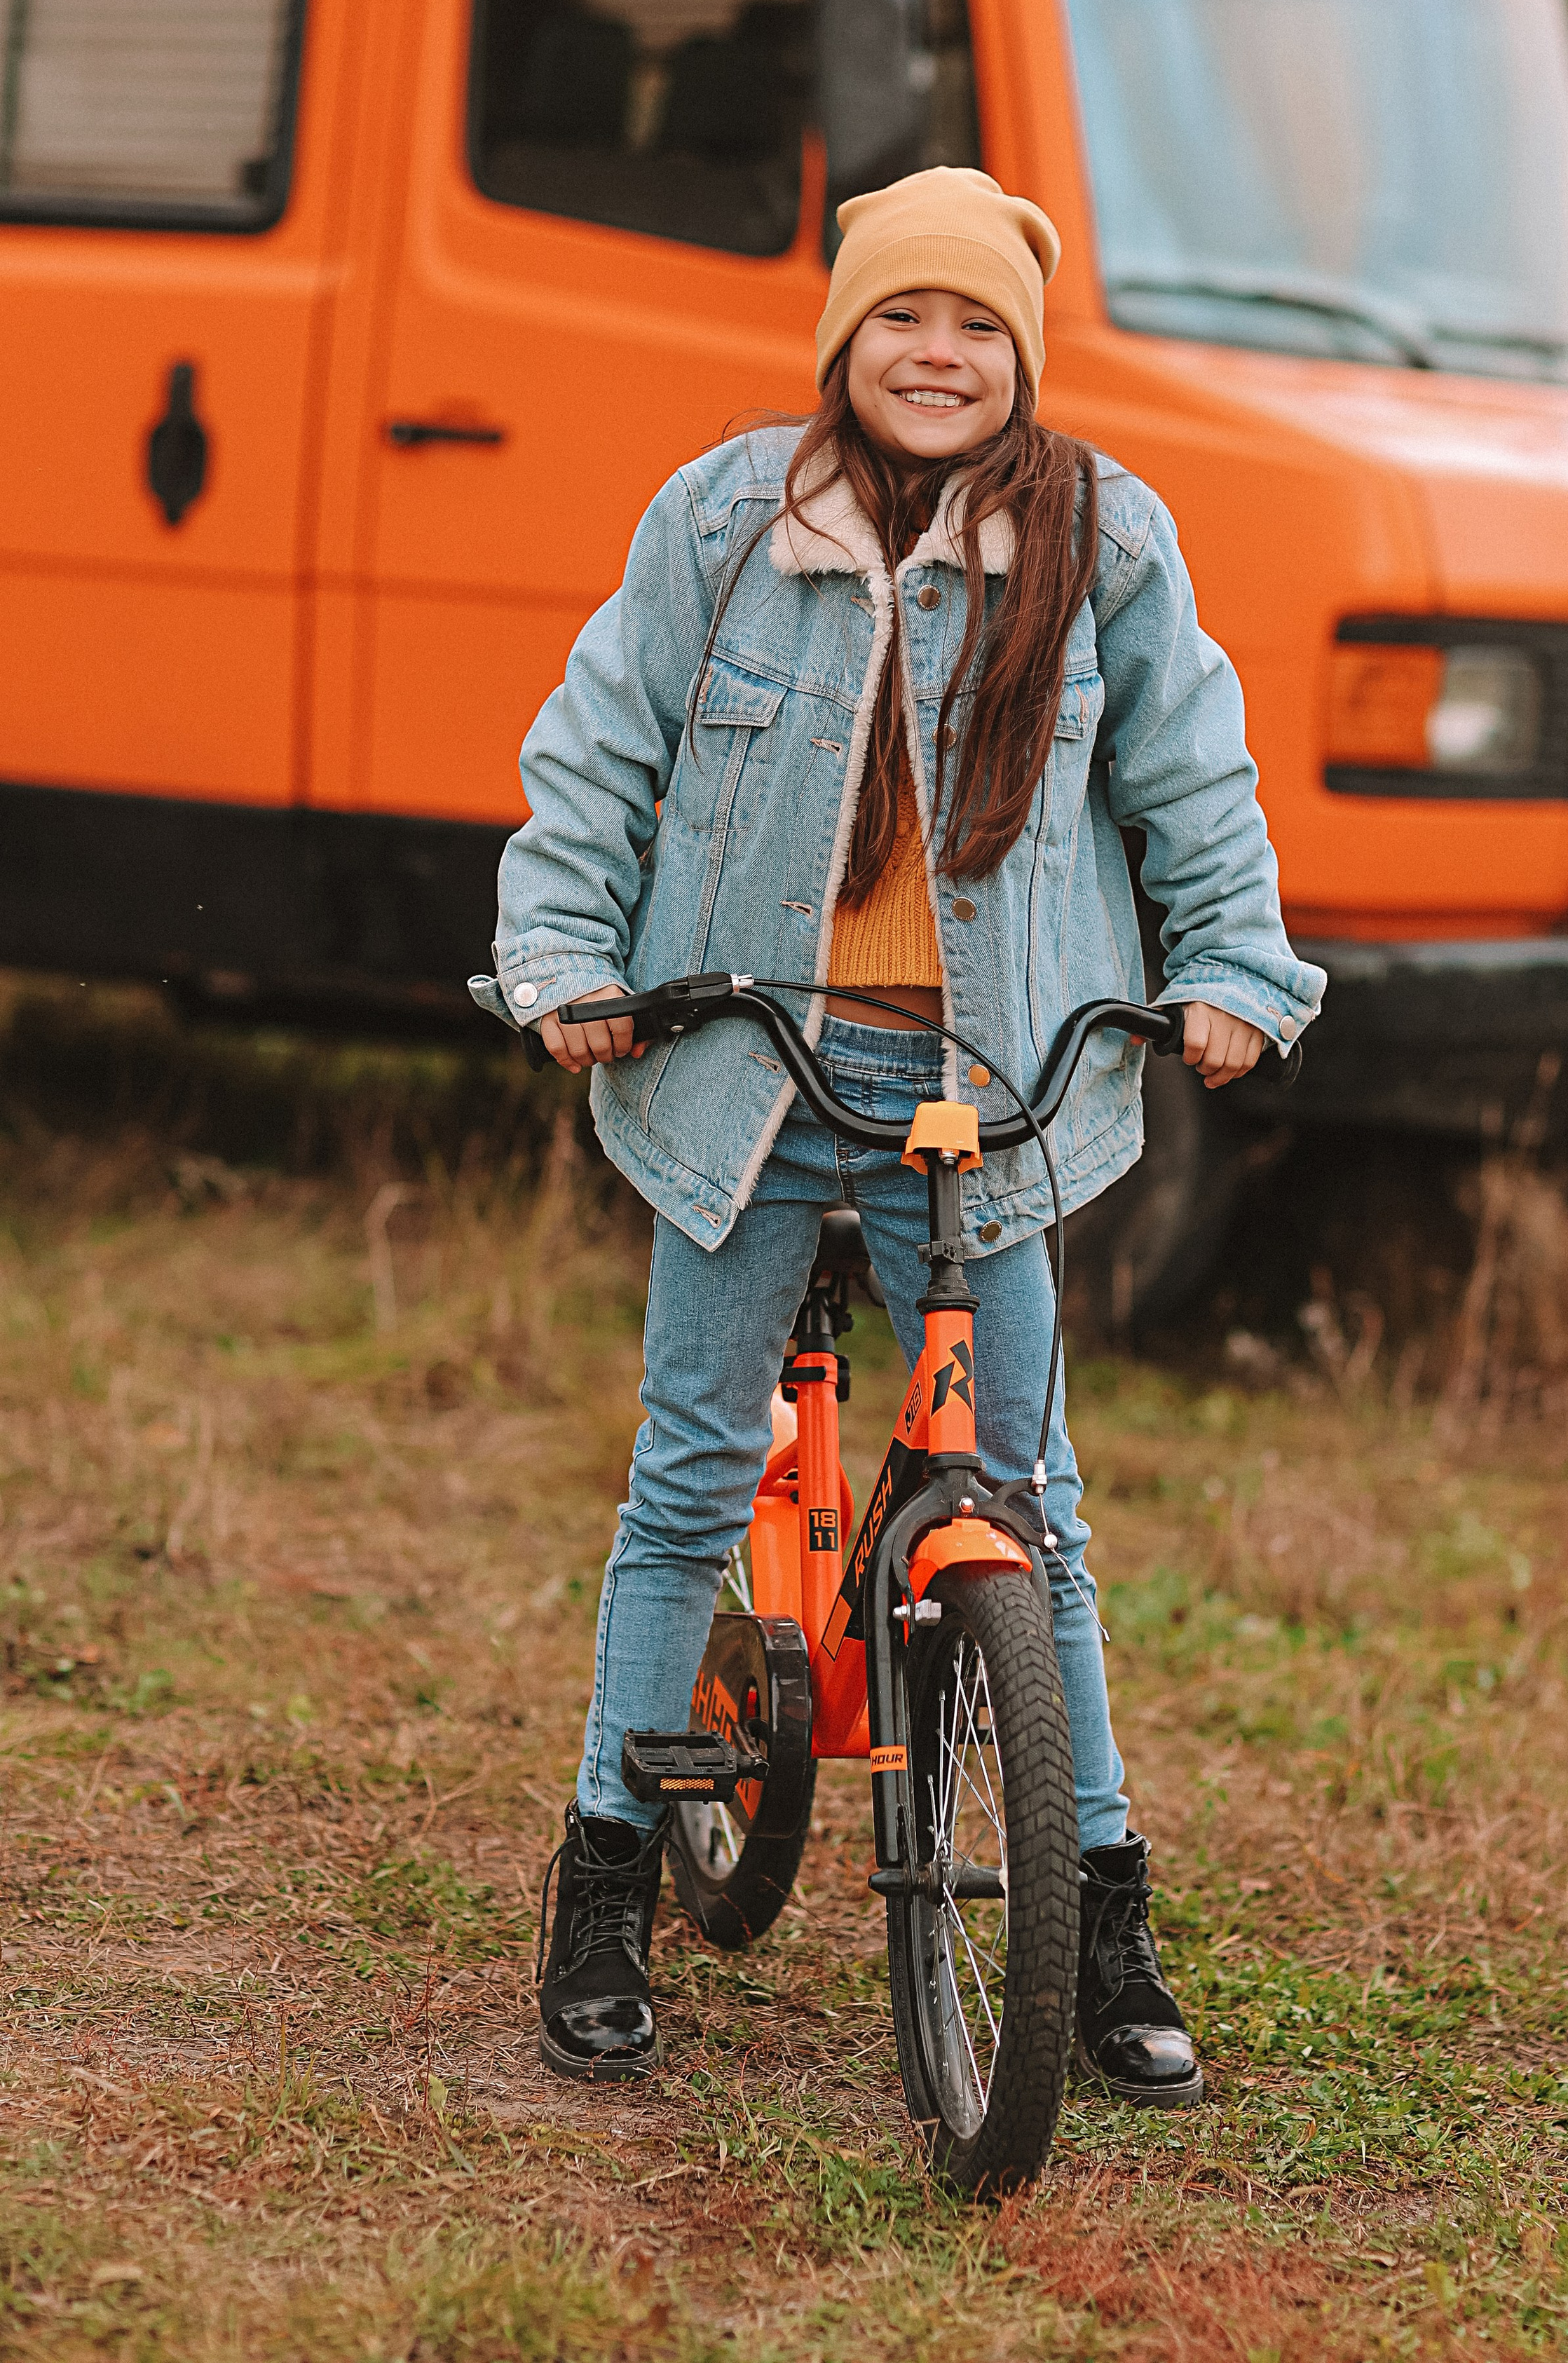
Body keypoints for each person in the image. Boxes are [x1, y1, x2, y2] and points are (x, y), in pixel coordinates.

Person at [472, 168, 1324, 2101]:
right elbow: (599, 751)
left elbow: (1195, 771)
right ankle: (609, 1871)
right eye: (900, 322)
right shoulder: (722, 520)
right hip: (750, 1072)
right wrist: (560, 958)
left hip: (985, 1092)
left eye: (977, 329)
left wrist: (1234, 974)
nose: (937, 355)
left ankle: (1098, 1909)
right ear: (846, 343)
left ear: (1021, 358)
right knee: (692, 1474)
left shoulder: (1103, 541)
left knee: (1032, 1503)